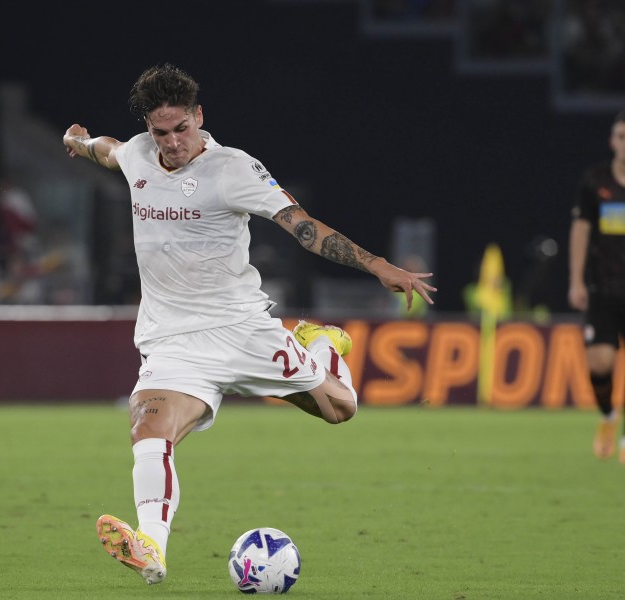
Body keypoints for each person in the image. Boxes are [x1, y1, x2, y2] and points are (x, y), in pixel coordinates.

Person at [62, 63, 436, 585]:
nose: (172, 142)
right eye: (161, 132)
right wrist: (79, 142)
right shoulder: (139, 154)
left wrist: (378, 266)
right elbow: (109, 150)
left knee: (341, 409)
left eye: (181, 128)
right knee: (148, 429)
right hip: (172, 339)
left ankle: (322, 346)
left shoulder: (234, 169)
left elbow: (303, 227)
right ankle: (151, 548)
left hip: (241, 331)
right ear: (149, 129)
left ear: (199, 116)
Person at [568, 109, 625, 463]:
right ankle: (608, 416)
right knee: (600, 364)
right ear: (612, 141)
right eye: (621, 136)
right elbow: (581, 231)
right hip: (603, 289)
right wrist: (576, 280)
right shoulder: (595, 182)